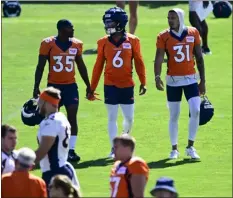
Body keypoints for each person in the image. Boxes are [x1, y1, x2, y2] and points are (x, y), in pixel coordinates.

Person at [88, 7, 146, 158]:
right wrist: (91, 87)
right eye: (106, 23)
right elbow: (98, 67)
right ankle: (114, 148)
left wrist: (143, 81)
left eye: (111, 22)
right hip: (110, 85)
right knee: (112, 117)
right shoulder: (103, 42)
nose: (107, 26)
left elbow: (139, 62)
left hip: (127, 85)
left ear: (120, 23)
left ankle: (124, 136)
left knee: (129, 118)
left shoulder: (133, 41)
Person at [33, 19, 93, 162]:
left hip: (71, 87)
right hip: (53, 87)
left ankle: (71, 150)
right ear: (61, 29)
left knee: (72, 117)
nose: (72, 29)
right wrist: (36, 86)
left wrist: (88, 85)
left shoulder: (76, 44)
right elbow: (40, 66)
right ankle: (49, 148)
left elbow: (81, 66)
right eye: (69, 28)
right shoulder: (48, 44)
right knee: (50, 119)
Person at [154, 8, 206, 159]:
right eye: (168, 18)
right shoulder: (163, 36)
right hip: (173, 81)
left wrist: (202, 80)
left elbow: (199, 57)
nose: (170, 20)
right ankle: (174, 148)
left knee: (196, 110)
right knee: (174, 115)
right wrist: (157, 76)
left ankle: (190, 147)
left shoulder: (193, 32)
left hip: (190, 79)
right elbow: (158, 57)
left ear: (180, 19)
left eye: (173, 18)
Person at [35, 87, 80, 189]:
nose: (38, 105)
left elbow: (43, 150)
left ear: (47, 103)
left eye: (40, 101)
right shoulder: (60, 117)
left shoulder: (51, 122)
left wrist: (22, 165)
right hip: (61, 167)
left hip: (55, 173)